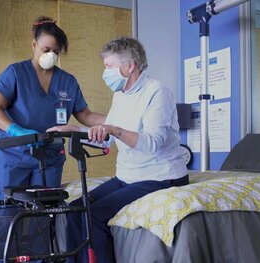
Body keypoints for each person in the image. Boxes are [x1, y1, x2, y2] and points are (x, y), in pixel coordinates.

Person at [63, 37, 190, 263]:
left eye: (109, 66)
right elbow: (106, 140)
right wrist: (76, 130)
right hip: (128, 176)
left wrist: (115, 129)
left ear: (129, 66)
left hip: (160, 176)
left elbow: (152, 143)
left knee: (93, 216)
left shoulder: (157, 93)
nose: (105, 73)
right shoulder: (120, 95)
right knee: (75, 210)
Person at [0, 16, 105, 202]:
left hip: (50, 158)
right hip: (13, 156)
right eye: (46, 49)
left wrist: (118, 119)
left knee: (45, 215)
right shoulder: (15, 73)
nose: (51, 55)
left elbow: (85, 115)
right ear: (34, 44)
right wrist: (15, 130)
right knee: (8, 214)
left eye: (56, 52)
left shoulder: (68, 81)